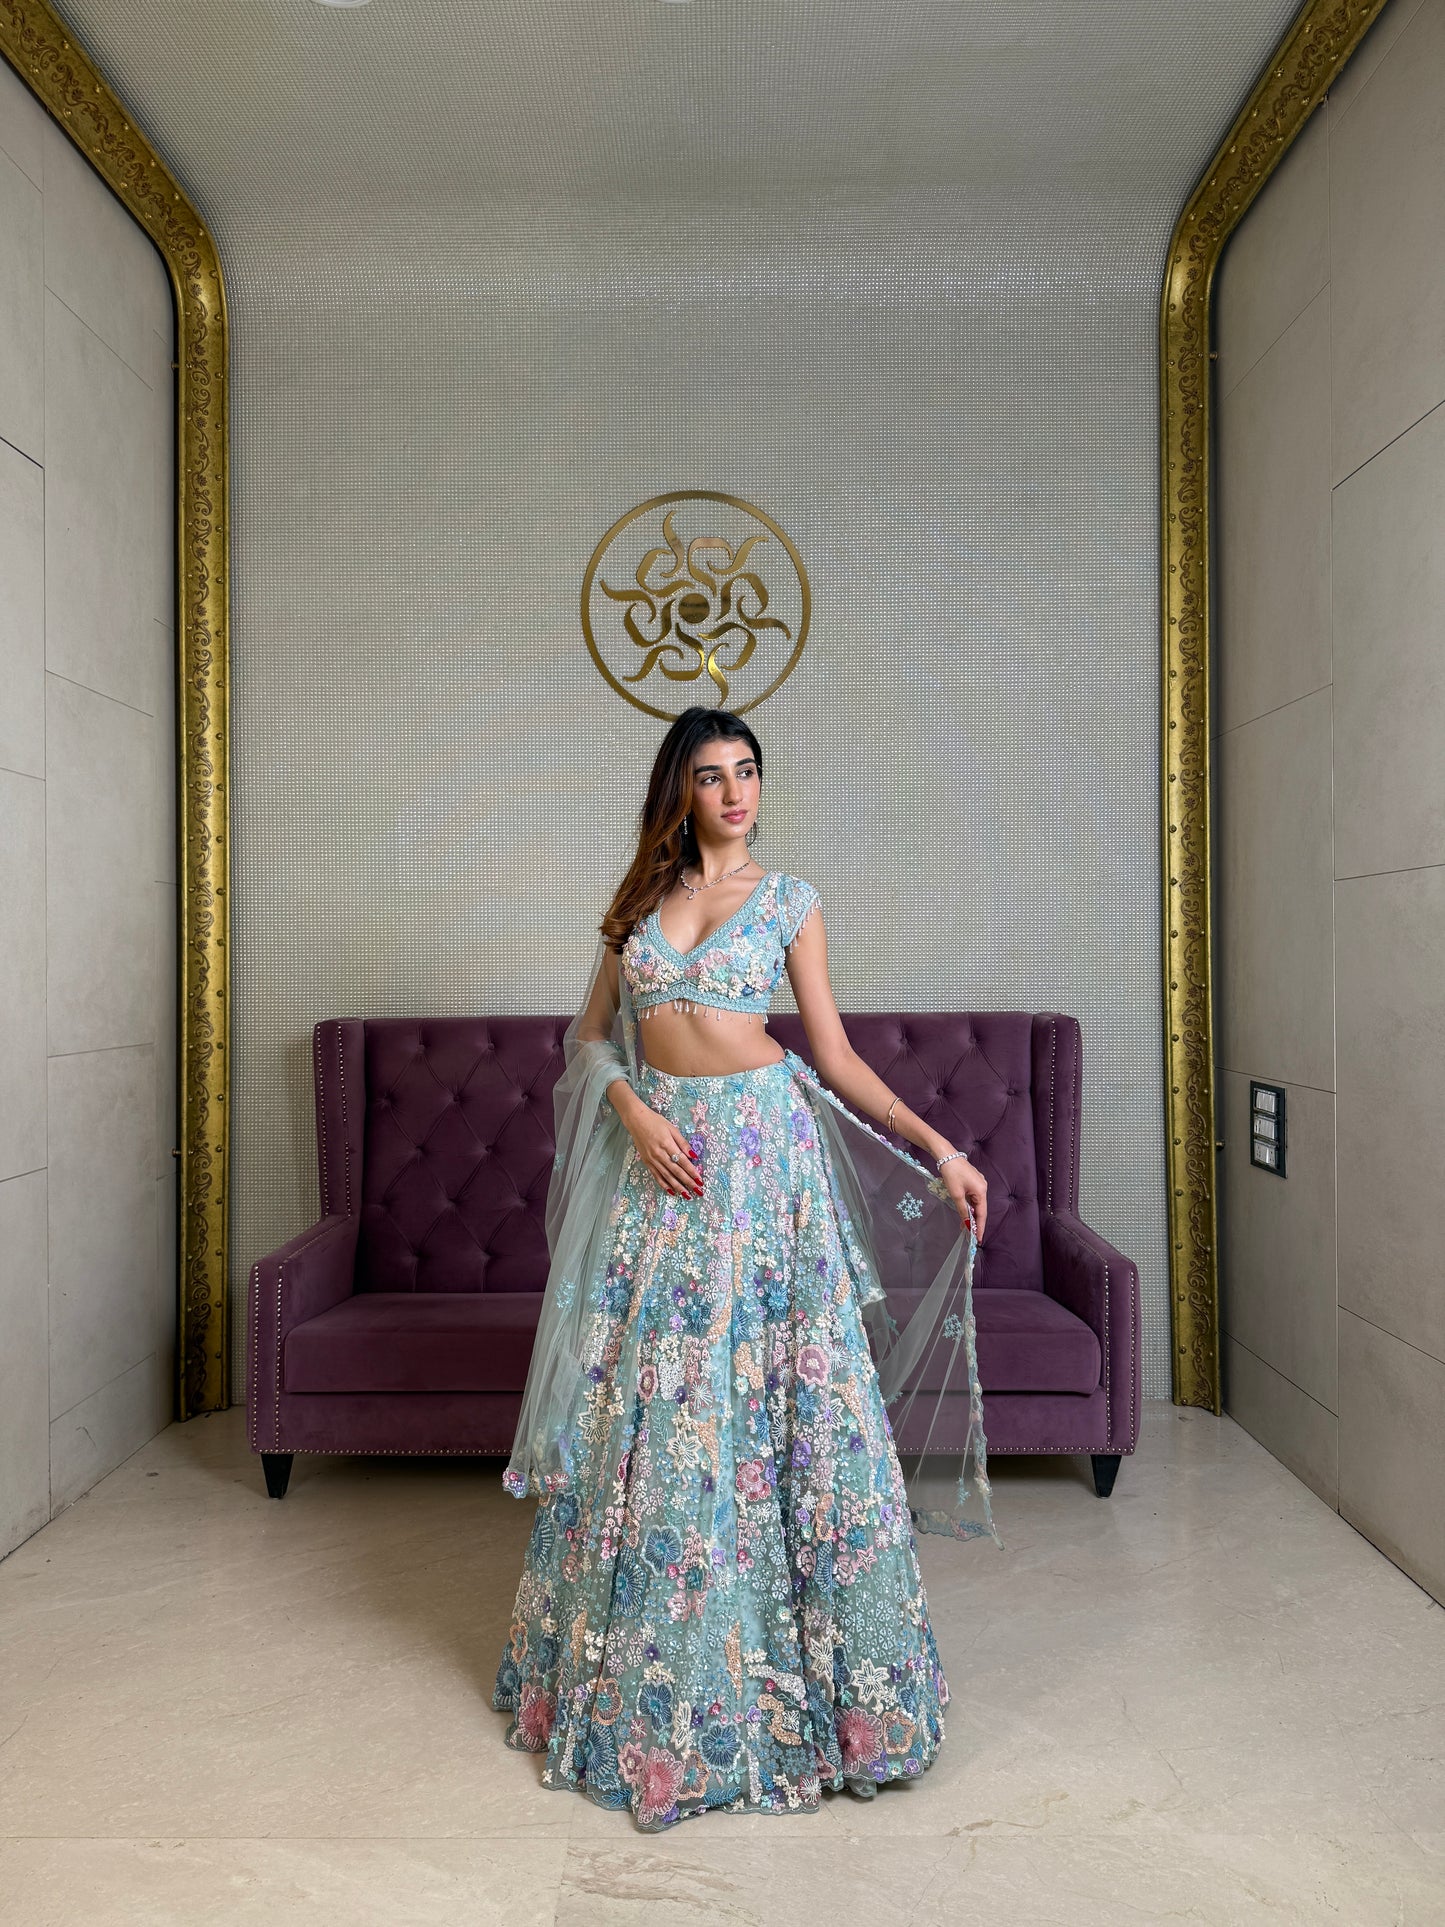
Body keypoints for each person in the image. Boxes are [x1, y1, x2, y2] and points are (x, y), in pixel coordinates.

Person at [493, 705, 996, 1829]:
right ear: (678, 789)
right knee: (660, 1418)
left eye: (748, 772)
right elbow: (585, 1041)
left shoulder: (788, 902)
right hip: (662, 1170)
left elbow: (835, 1053)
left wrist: (941, 1146)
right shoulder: (634, 911)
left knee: (781, 1408)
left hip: (762, 1171)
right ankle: (667, 1684)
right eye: (712, 775)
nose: (733, 792)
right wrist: (628, 1104)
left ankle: (826, 1694)